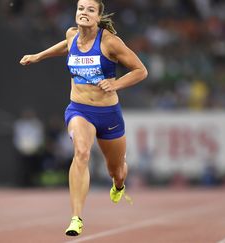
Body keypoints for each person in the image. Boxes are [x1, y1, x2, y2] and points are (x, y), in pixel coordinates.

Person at [20, 0, 148, 237]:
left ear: (98, 17)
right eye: (81, 8)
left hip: (108, 114)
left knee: (116, 170)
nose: (84, 13)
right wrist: (38, 56)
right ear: (76, 12)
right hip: (79, 109)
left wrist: (116, 83)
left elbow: (141, 70)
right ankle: (76, 218)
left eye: (90, 9)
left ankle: (119, 185)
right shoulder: (71, 35)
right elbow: (64, 46)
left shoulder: (109, 42)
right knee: (81, 152)